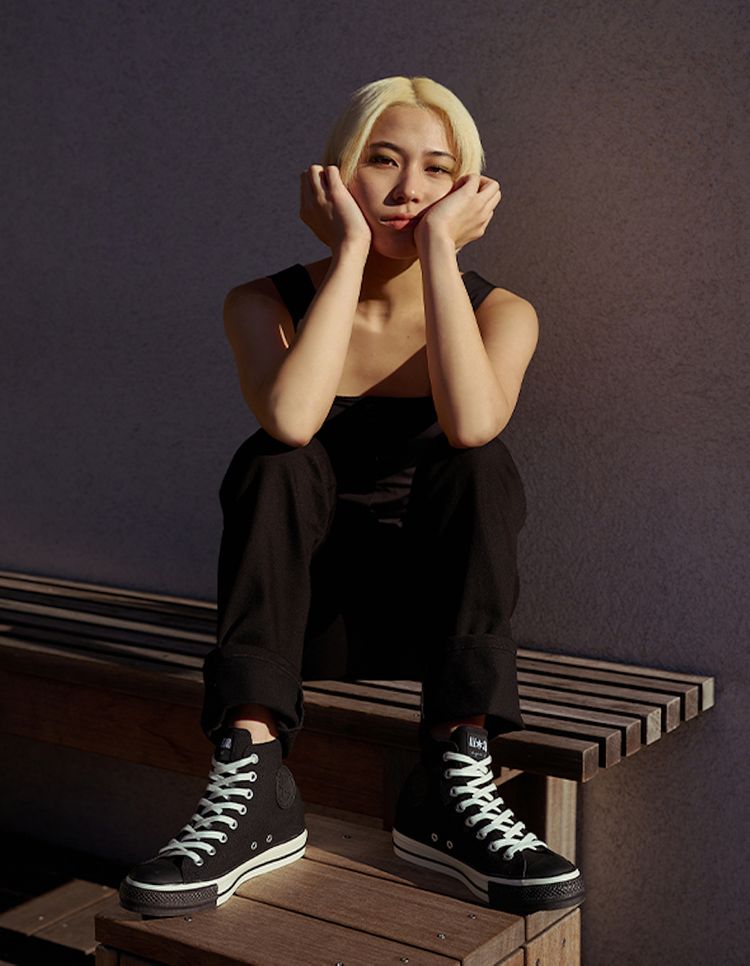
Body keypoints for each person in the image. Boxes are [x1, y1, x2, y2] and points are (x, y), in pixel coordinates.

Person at [119, 75, 584, 919]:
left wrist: (436, 254)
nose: (409, 189)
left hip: (433, 628)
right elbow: (293, 420)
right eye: (382, 160)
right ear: (335, 175)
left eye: (437, 169)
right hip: (301, 625)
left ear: (468, 190)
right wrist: (350, 258)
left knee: (479, 464)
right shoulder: (262, 303)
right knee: (273, 459)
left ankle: (453, 772)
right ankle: (254, 781)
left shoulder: (505, 313)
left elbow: (472, 425)